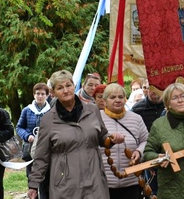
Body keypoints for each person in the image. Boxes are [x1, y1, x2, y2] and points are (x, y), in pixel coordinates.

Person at [27, 70, 125, 199]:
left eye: (68, 85)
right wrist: (33, 185)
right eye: (60, 88)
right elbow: (41, 156)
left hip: (94, 180)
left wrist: (111, 139)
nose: (66, 90)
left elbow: (102, 137)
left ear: (74, 86)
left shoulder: (92, 110)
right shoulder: (48, 119)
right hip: (65, 184)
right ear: (53, 92)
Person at [100, 83, 149, 199]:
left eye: (121, 97)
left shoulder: (136, 118)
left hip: (131, 182)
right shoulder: (96, 118)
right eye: (112, 97)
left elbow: (146, 140)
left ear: (125, 99)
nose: (117, 100)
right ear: (105, 101)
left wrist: (139, 151)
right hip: (103, 183)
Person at [16, 83, 52, 199]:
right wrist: (27, 136)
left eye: (42, 94)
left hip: (47, 150)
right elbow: (19, 127)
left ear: (47, 95)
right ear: (34, 95)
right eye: (37, 93)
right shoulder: (27, 110)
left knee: (46, 180)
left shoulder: (52, 110)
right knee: (32, 179)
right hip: (31, 150)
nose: (40, 96)